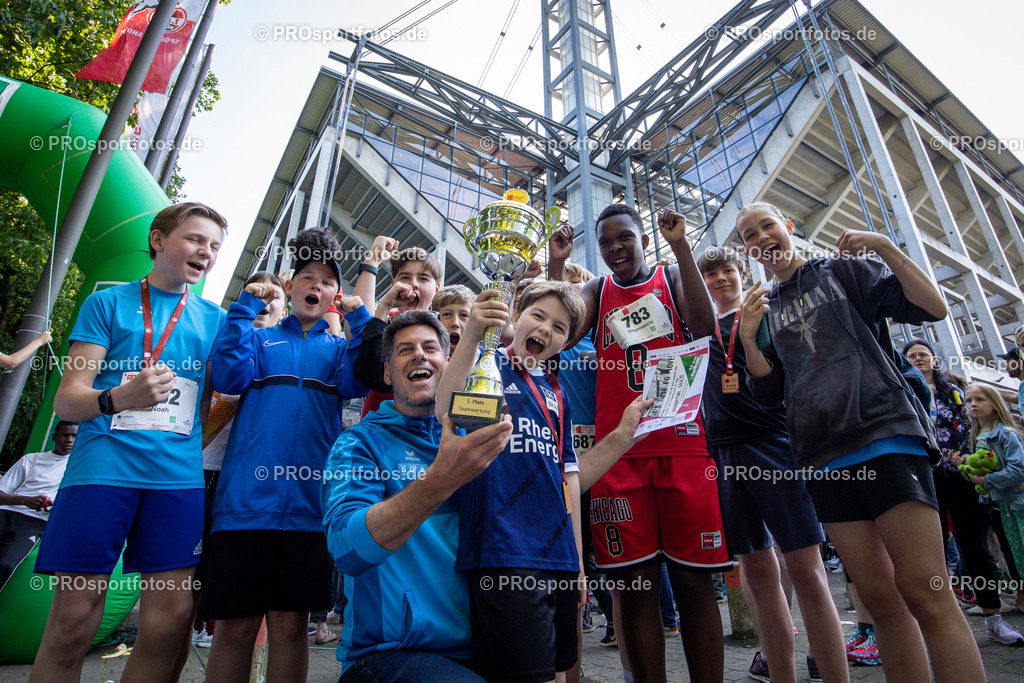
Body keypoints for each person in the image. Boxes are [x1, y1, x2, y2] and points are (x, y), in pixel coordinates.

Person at [736, 200, 985, 680]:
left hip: (886, 437)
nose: (761, 237)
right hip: (822, 460)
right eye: (749, 235)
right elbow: (768, 393)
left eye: (767, 225)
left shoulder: (843, 272)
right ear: (746, 250)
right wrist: (748, 339)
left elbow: (933, 307)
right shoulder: (764, 309)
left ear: (788, 225)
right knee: (880, 600)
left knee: (927, 591)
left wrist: (886, 247)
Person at [30, 202, 228, 682]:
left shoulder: (218, 320)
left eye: (215, 246)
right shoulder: (107, 304)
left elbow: (220, 399)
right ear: (158, 240)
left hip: (175, 481)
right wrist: (118, 398)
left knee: (170, 621)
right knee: (73, 620)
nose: (206, 252)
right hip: (101, 473)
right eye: (195, 239)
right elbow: (68, 400)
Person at [548, 207, 730, 683]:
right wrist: (555, 265)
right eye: (605, 243)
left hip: (683, 448)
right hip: (618, 457)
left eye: (624, 238)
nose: (615, 249)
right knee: (634, 588)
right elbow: (556, 332)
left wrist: (682, 246)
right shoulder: (597, 290)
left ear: (643, 239)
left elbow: (705, 328)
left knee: (694, 585)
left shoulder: (672, 277)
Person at [203, 227, 370, 682]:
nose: (316, 286)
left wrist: (361, 319)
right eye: (308, 278)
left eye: (327, 282)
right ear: (291, 286)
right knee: (234, 629)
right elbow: (229, 379)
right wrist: (244, 308)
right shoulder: (258, 340)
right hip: (244, 509)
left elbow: (360, 380)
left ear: (335, 296)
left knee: (291, 628)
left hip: (308, 513)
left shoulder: (340, 350)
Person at [697, 246, 848, 683]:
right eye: (711, 274)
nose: (720, 279)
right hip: (724, 453)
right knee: (758, 575)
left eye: (727, 270)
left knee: (807, 572)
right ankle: (780, 674)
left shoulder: (768, 312)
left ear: (743, 273)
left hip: (773, 445)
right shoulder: (699, 327)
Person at [437, 281, 589, 682]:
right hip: (504, 552)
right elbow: (445, 407)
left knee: (560, 670)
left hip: (559, 555)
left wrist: (577, 562)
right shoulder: (485, 364)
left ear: (565, 342)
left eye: (559, 327)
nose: (545, 329)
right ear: (516, 316)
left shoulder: (556, 391)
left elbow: (568, 478)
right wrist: (473, 332)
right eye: (538, 316)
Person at [902, 339, 1011, 623]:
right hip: (923, 479)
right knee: (932, 548)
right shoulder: (901, 391)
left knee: (974, 543)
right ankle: (943, 615)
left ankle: (993, 614)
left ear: (934, 360)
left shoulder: (954, 391)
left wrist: (967, 456)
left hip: (960, 475)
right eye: (911, 356)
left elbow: (968, 425)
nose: (918, 359)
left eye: (923, 354)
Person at [953, 384, 1024, 630]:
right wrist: (965, 464)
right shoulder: (976, 435)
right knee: (1017, 557)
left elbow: (1018, 468)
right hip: (1002, 506)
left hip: (1018, 502)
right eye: (969, 400)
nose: (973, 404)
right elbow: (981, 467)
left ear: (995, 403)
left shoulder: (1007, 434)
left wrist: (987, 481)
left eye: (980, 399)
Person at [355, 246, 441, 417]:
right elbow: (366, 372)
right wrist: (384, 307)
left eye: (423, 278)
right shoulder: (379, 325)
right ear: (393, 284)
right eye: (405, 277)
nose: (413, 284)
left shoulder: (443, 333)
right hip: (379, 427)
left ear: (437, 288)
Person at [0, 421, 78, 589]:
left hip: (35, 521)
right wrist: (25, 500)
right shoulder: (31, 459)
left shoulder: (79, 468)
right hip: (6, 512)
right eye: (64, 435)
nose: (69, 440)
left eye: (74, 436)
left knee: (5, 563)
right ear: (54, 437)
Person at [431, 284, 475, 355]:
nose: (455, 323)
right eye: (447, 314)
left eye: (463, 315)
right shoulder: (427, 357)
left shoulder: (486, 358)